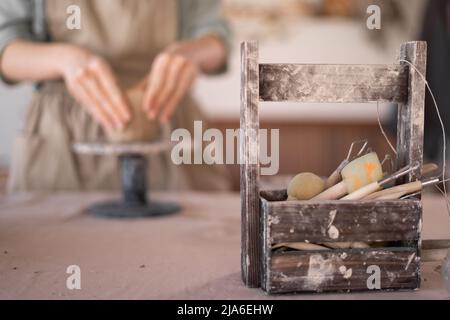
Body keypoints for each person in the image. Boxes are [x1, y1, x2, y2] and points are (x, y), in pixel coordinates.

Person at [0, 0, 232, 192]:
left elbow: (215, 36)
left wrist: (193, 53)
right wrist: (64, 60)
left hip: (168, 124)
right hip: (62, 136)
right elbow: (6, 45)